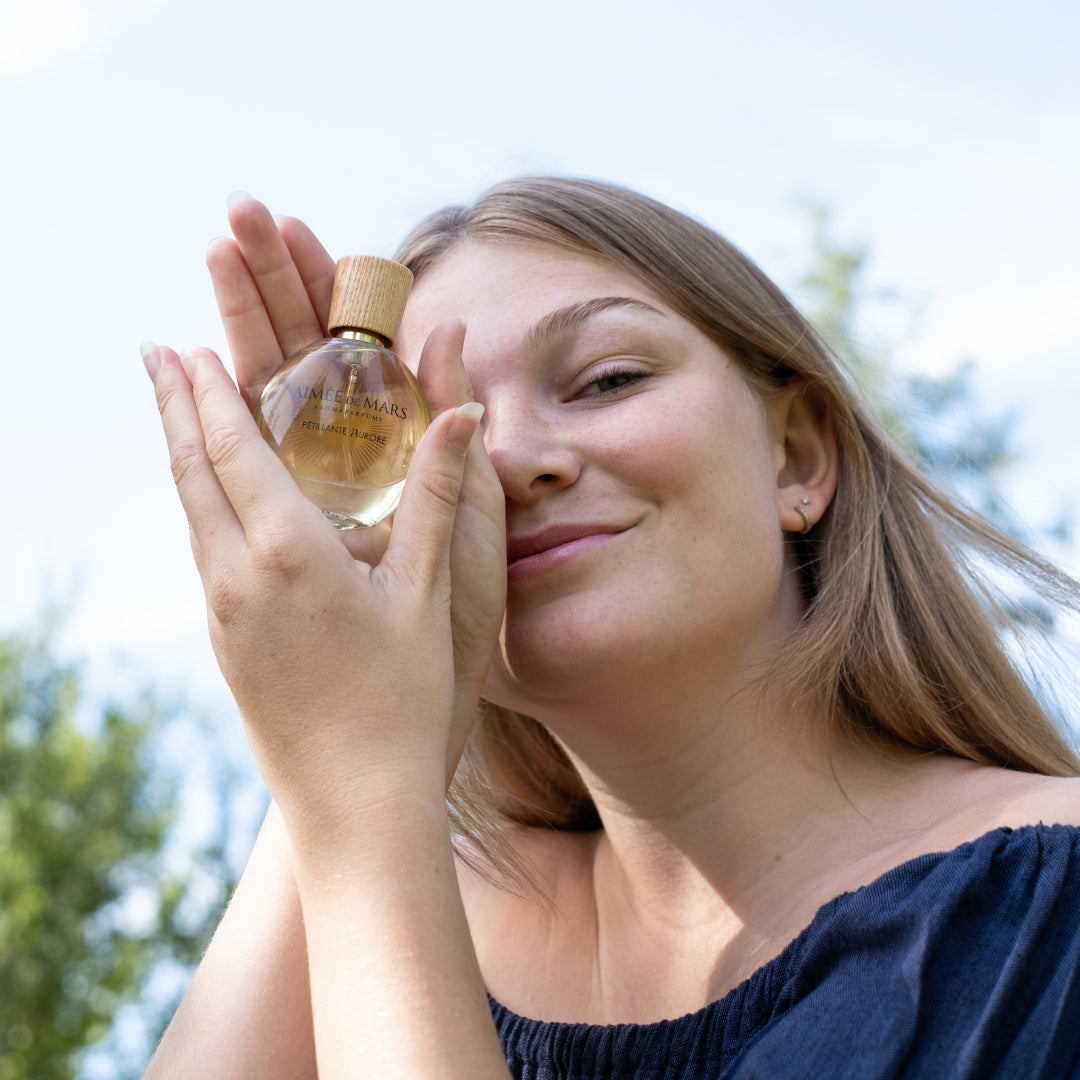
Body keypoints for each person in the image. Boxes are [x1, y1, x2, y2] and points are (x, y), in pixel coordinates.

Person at [140, 177, 1080, 1079]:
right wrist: (338, 720)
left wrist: (360, 800)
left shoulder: (1047, 903)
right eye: (440, 425)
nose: (505, 457)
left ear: (796, 454)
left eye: (605, 380)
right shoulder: (390, 905)